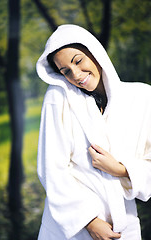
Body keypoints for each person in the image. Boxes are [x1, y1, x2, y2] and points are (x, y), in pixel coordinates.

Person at [36, 24, 151, 240]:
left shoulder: (142, 98)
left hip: (122, 225)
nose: (76, 75)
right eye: (65, 71)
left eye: (78, 61)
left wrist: (120, 169)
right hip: (71, 228)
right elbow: (51, 169)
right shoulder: (59, 97)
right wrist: (88, 221)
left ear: (94, 51)